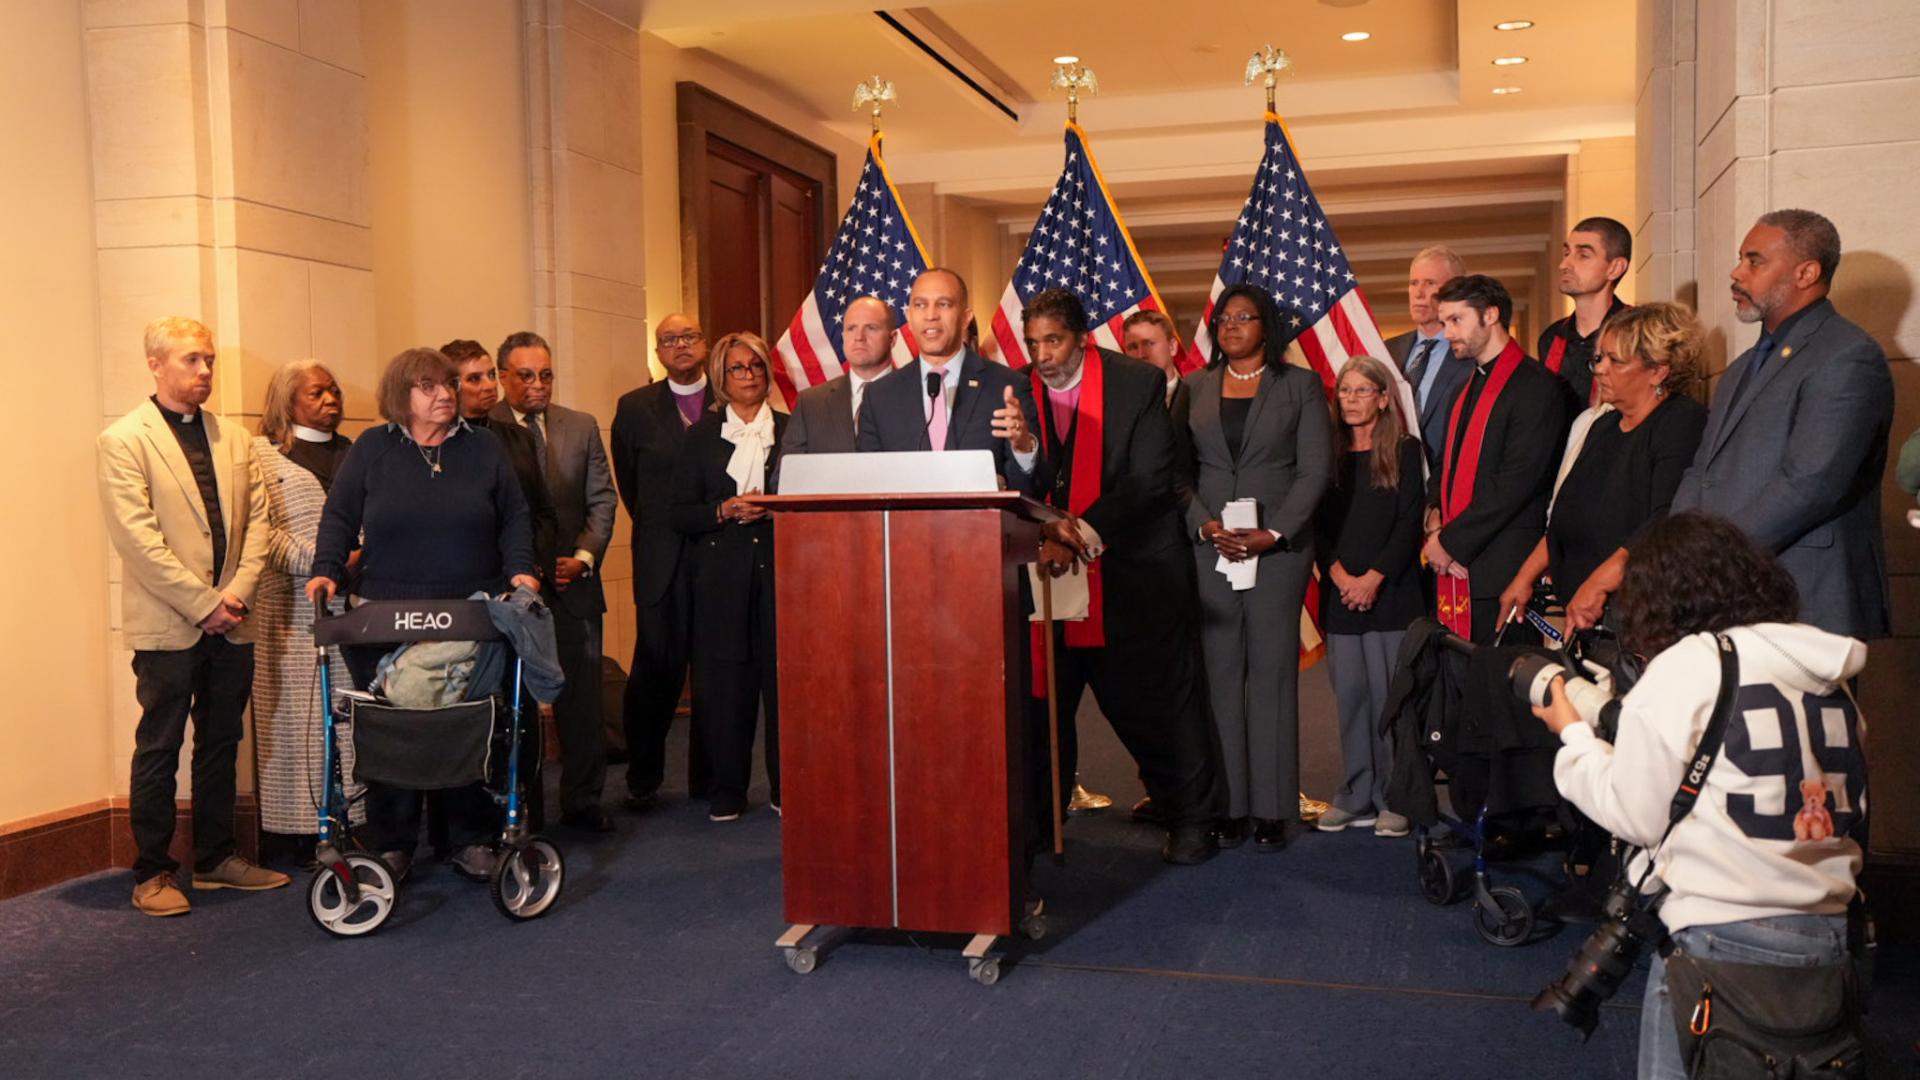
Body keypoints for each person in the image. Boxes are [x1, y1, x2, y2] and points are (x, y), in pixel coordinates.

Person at [1532, 512, 1867, 1080]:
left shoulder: (1688, 665)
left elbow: (1634, 814)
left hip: (1720, 942)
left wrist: (1570, 734)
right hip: (1832, 942)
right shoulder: (1831, 681)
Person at [307, 347, 540, 882]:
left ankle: (470, 838)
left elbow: (514, 517)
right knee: (394, 727)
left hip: (470, 611)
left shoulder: (482, 447)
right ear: (401, 396)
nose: (444, 395)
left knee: (464, 723)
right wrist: (326, 569)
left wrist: (520, 570)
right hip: (382, 613)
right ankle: (393, 843)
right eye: (429, 387)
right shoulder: (372, 448)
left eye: (448, 385)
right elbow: (339, 515)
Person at [1020, 289, 1223, 866]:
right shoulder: (1017, 388)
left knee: (1154, 706)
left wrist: (1076, 532)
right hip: (1046, 577)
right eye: (1034, 342)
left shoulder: (1135, 382)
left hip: (1134, 569)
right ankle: (1040, 822)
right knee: (1043, 709)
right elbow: (1012, 473)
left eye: (1053, 340)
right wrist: (1046, 535)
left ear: (1082, 338)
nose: (1043, 354)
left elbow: (1151, 479)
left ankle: (1190, 818)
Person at [98, 316, 288, 915]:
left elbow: (259, 525)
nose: (204, 370)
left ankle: (214, 860)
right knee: (159, 743)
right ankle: (153, 872)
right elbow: (139, 541)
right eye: (190, 360)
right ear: (155, 365)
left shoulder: (234, 438)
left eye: (208, 360)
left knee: (222, 739)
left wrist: (235, 594)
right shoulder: (123, 440)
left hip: (234, 619)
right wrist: (204, 604)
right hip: (170, 623)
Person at [1672, 208, 1894, 641]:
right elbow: (1702, 472)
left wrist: (1710, 560)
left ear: (1806, 272)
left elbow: (1810, 483)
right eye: (1740, 258)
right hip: (1734, 598)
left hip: (1808, 596)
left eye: (1755, 261)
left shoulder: (1847, 355)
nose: (1737, 272)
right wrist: (1675, 555)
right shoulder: (1739, 370)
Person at [1182, 284, 1333, 852]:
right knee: (1219, 675)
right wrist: (1203, 524)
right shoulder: (1193, 387)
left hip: (1278, 552)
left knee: (1270, 673)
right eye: (1223, 319)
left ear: (1266, 326)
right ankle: (1227, 805)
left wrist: (1275, 532)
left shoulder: (1300, 387)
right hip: (1211, 549)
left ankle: (1271, 808)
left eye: (1243, 318)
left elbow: (1315, 470)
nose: (1230, 327)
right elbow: (1178, 471)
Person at [1499, 303, 1708, 632]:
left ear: (1658, 370)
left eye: (1616, 361)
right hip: (1582, 612)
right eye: (1600, 358)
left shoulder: (1681, 421)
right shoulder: (1603, 426)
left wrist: (1598, 584)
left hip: (1641, 615)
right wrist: (1523, 578)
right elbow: (1564, 517)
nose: (1600, 369)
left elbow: (1664, 521)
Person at [494, 331, 618, 833]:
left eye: (545, 374)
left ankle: (583, 802)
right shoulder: (485, 429)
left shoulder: (581, 426)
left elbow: (603, 501)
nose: (538, 385)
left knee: (581, 699)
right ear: (504, 377)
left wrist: (583, 557)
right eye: (525, 375)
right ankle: (517, 809)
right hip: (514, 590)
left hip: (574, 585)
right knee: (510, 701)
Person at [671, 332, 786, 822]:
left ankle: (787, 787)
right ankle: (728, 790)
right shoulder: (700, 437)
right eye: (738, 368)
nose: (749, 376)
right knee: (725, 687)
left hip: (780, 572)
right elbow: (679, 513)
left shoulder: (790, 428)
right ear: (722, 377)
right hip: (720, 577)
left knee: (782, 684)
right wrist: (723, 509)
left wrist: (775, 509)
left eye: (756, 366)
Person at [249, 359, 361, 861]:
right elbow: (259, 531)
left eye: (334, 391)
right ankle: (295, 832)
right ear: (286, 399)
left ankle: (353, 821)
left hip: (355, 602)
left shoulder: (357, 453)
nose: (331, 400)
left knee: (352, 714)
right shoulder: (262, 456)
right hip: (289, 612)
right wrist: (321, 560)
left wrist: (362, 556)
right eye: (317, 393)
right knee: (299, 724)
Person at [1421, 274, 1567, 645]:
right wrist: (1434, 513)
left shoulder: (1536, 385)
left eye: (1456, 320)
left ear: (1490, 315)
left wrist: (1451, 541)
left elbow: (1517, 480)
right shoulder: (1463, 387)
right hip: (1458, 562)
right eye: (1444, 322)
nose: (1447, 332)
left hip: (1504, 566)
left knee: (1501, 689)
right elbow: (1446, 464)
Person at [1311, 356, 1423, 837]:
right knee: (1352, 699)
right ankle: (1356, 794)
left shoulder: (1403, 449)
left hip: (1391, 594)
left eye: (1362, 391)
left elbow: (1408, 524)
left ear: (1382, 397)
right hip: (1341, 595)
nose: (1351, 400)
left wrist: (1372, 578)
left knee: (1389, 702)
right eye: (1344, 391)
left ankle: (1396, 798)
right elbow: (1316, 525)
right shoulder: (1327, 455)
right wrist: (1338, 576)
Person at [611, 313, 714, 810]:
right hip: (661, 557)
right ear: (658, 351)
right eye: (669, 340)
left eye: (689, 337)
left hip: (718, 555)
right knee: (654, 668)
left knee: (716, 671)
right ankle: (643, 775)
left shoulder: (732, 396)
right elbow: (630, 486)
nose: (680, 346)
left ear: (705, 343)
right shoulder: (633, 408)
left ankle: (709, 778)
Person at [855, 267, 1041, 495]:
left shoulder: (1006, 386)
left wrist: (1022, 448)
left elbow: (1032, 491)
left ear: (965, 318)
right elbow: (868, 487)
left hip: (981, 528)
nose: (931, 315)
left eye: (943, 304)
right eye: (920, 305)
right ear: (909, 317)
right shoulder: (880, 396)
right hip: (905, 529)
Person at [444, 338, 559, 585]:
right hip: (461, 578)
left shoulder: (519, 437)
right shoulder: (437, 444)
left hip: (521, 576)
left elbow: (543, 511)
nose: (489, 385)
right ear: (451, 387)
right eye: (474, 379)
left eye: (491, 375)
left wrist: (532, 564)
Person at [1383, 246, 1471, 470]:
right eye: (1414, 283)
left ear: (1455, 290)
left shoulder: (1471, 356)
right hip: (1392, 479)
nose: (1419, 292)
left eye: (1430, 283)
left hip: (1445, 481)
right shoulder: (1386, 351)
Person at [780, 295, 895, 457]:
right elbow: (787, 475)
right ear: (843, 337)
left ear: (893, 339)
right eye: (851, 328)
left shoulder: (918, 396)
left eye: (871, 328)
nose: (859, 337)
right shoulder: (810, 404)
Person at [1538, 217, 1632, 408]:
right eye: (1567, 253)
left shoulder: (1636, 333)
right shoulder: (1551, 338)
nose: (1564, 264)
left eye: (1583, 255)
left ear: (1615, 268)